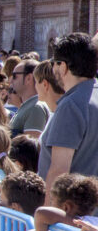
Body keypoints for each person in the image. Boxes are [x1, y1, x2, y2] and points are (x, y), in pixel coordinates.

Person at [36, 33, 98, 200]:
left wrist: (46, 212)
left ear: (63, 67)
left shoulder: (71, 105)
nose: (53, 69)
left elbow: (59, 171)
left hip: (72, 211)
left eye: (53, 63)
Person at [6, 58, 47, 137]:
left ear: (29, 78)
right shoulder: (30, 105)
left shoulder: (35, 107)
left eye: (14, 76)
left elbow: (32, 142)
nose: (10, 81)